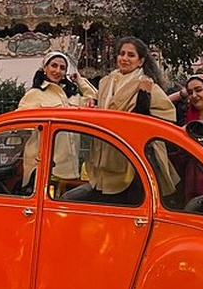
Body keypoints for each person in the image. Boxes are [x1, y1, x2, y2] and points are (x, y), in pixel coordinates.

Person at [77, 37, 178, 202]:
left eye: (131, 55)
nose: (124, 58)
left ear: (140, 62)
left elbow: (164, 118)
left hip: (132, 160)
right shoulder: (105, 83)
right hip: (103, 154)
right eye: (122, 54)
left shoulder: (147, 84)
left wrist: (143, 99)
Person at [17, 52, 96, 191]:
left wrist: (80, 80)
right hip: (44, 166)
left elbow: (95, 99)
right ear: (44, 68)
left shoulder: (72, 97)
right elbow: (20, 124)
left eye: (62, 68)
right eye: (53, 66)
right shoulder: (34, 94)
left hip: (69, 167)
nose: (57, 71)